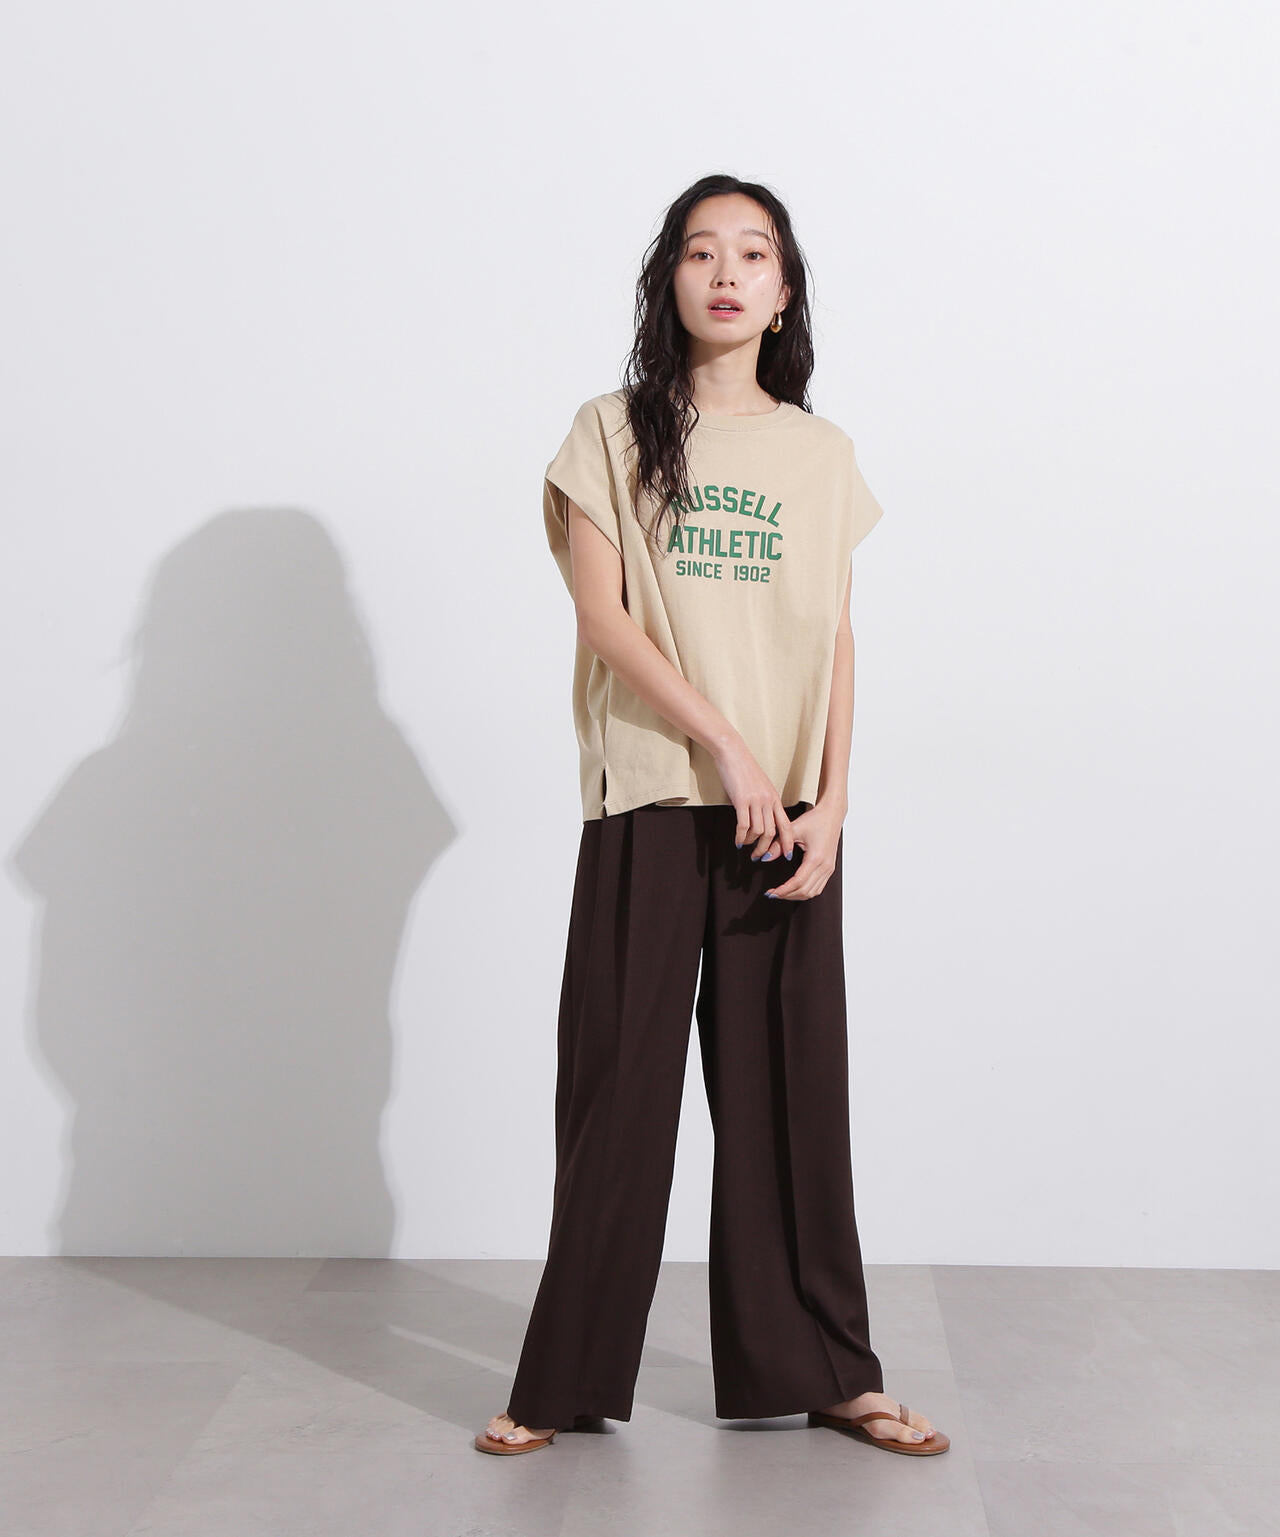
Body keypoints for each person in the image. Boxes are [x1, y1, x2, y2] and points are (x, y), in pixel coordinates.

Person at [475, 173, 949, 1459]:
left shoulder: (818, 454)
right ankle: (560, 1380)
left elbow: (833, 633)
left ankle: (829, 1371)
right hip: (653, 791)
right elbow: (603, 618)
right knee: (618, 1092)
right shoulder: (610, 432)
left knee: (791, 1099)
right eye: (699, 252)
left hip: (784, 816)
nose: (725, 273)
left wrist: (832, 799)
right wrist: (727, 744)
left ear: (783, 291)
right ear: (668, 281)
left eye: (752, 254)